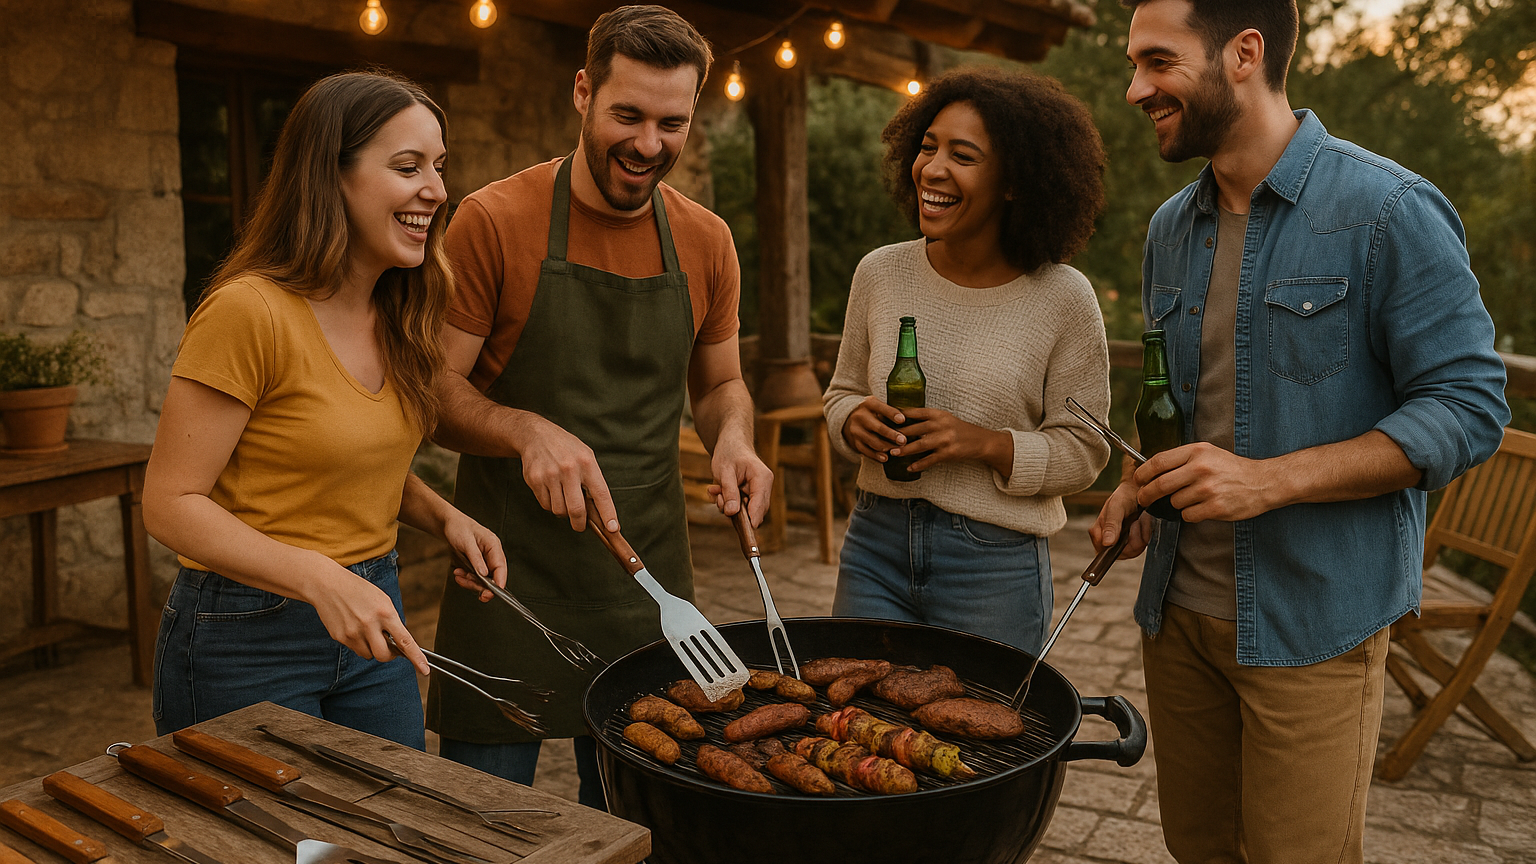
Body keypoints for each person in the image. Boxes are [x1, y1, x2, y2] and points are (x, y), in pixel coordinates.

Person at [1098, 1, 1511, 861]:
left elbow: (1470, 406)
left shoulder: (1388, 209)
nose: (1135, 88)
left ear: (1243, 54)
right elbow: (1187, 402)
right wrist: (1142, 487)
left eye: (1158, 62)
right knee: (1198, 850)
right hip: (1177, 619)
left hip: (1315, 626)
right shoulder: (1169, 228)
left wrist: (1270, 479)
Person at [426, 5, 771, 810]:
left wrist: (736, 442)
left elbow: (720, 385)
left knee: (631, 825)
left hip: (650, 588)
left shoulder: (707, 240)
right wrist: (523, 428)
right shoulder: (492, 221)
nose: (649, 144)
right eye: (628, 115)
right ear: (582, 92)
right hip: (507, 576)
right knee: (481, 824)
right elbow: (432, 395)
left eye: (672, 123)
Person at [142, 71, 508, 749]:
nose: (437, 188)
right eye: (408, 167)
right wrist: (319, 577)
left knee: (385, 836)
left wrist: (444, 517)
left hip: (374, 620)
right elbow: (170, 502)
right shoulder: (248, 312)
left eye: (438, 166)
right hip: (245, 637)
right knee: (270, 853)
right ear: (330, 177)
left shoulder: (400, 308)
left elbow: (339, 459)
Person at [822, 66, 1112, 654]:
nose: (933, 168)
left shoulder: (1063, 298)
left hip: (994, 565)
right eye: (927, 147)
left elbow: (1087, 451)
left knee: (977, 741)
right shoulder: (880, 273)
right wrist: (852, 421)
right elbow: (840, 393)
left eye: (963, 154)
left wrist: (983, 443)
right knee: (857, 729)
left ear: (1014, 181)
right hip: (875, 541)